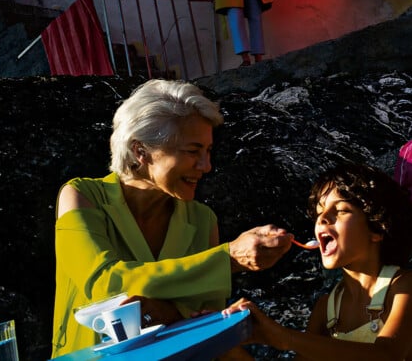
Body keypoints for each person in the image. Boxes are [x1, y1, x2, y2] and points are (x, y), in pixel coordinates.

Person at [51, 79, 293, 358]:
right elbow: (103, 283)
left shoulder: (203, 220)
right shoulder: (82, 196)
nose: (206, 166)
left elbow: (206, 330)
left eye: (208, 151)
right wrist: (228, 260)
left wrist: (171, 314)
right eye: (192, 151)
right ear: (140, 151)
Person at [224, 163, 412, 360]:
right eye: (319, 212)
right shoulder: (326, 308)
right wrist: (224, 344)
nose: (322, 219)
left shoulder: (408, 285)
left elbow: (386, 355)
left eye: (340, 211)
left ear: (377, 227)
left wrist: (282, 337)